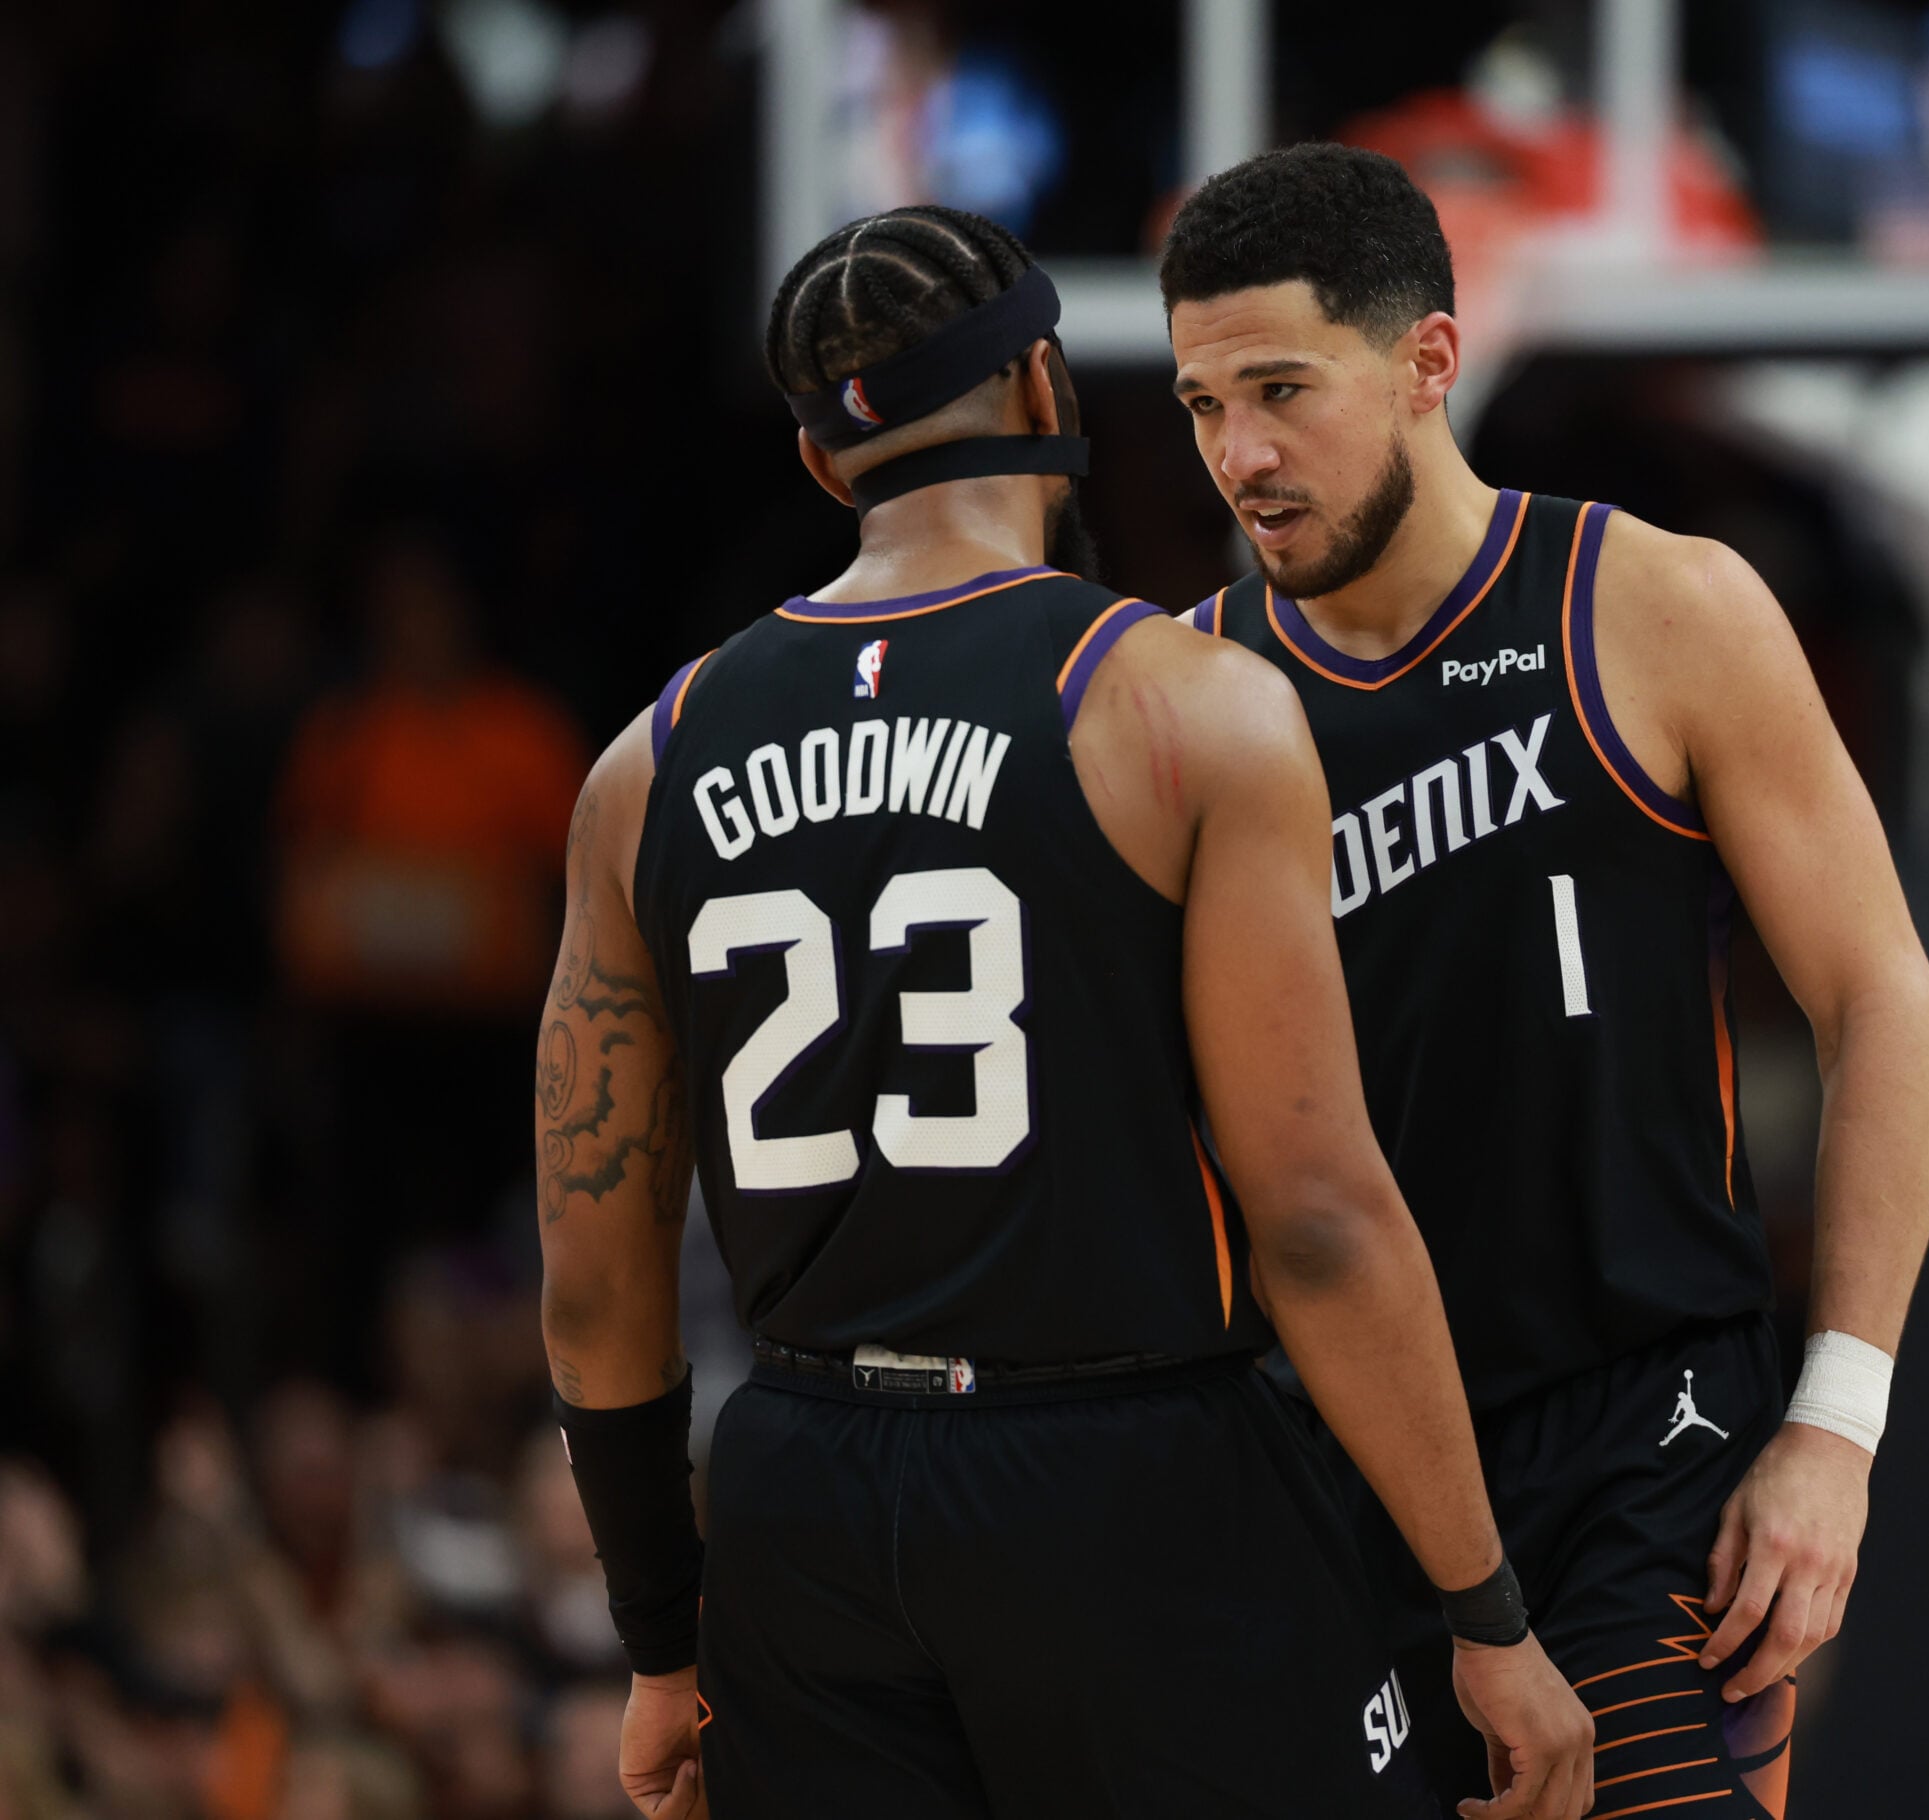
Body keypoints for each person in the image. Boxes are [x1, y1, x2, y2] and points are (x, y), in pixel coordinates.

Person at [532, 203, 1594, 1820]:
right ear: (1046, 382)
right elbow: (1314, 1219)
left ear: (825, 465)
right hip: (1119, 1467)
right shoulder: (1181, 706)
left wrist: (661, 1646)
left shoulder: (642, 767)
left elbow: (595, 1286)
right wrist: (1488, 1611)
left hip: (804, 1483)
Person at [1160, 144, 1929, 1817]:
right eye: (1201, 406)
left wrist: (1836, 1430)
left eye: (1283, 391)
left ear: (1429, 363)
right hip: (1336, 1465)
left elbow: (1884, 1000)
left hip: (1644, 1436)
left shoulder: (1656, 606)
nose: (1242, 455)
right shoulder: (1185, 700)